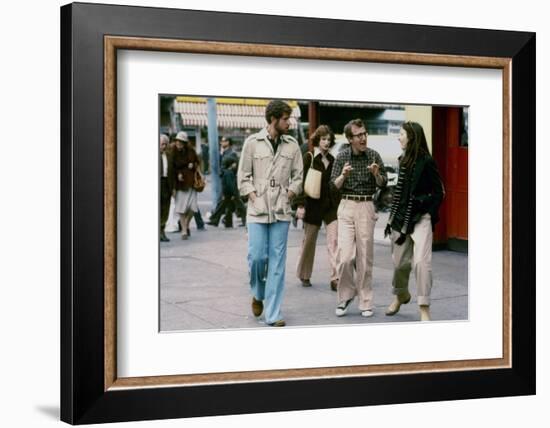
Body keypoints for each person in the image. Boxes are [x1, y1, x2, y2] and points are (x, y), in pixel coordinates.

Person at [237, 100, 303, 327]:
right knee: (257, 257)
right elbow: (243, 177)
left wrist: (290, 194)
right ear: (273, 119)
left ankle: (273, 314)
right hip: (257, 211)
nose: (289, 122)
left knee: (277, 264)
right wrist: (254, 197)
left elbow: (298, 177)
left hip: (282, 211)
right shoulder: (252, 143)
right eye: (286, 118)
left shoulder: (292, 145)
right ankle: (257, 293)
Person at [384, 121, 444, 321]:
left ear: (411, 137)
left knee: (421, 262)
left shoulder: (427, 161)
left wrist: (425, 208)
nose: (399, 137)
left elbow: (439, 192)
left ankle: (424, 307)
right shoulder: (402, 160)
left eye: (401, 134)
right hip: (401, 219)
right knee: (400, 263)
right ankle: (401, 295)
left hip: (421, 217)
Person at [330, 118, 387, 318]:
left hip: (366, 205)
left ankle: (365, 301)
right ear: (349, 139)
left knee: (365, 257)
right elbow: (333, 186)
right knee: (345, 257)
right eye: (358, 135)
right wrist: (343, 176)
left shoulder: (374, 156)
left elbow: (383, 184)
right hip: (346, 205)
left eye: (364, 134)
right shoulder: (342, 157)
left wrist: (376, 174)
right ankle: (345, 296)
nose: (363, 138)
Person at [293, 125, 340, 291]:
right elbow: (300, 181)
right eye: (323, 139)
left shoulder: (333, 161)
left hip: (330, 207)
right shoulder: (309, 157)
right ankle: (304, 275)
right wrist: (300, 205)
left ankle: (336, 277)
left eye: (328, 139)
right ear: (317, 140)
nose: (326, 142)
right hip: (312, 205)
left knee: (334, 241)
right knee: (309, 241)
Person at [168, 131, 200, 240]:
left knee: (193, 208)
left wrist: (194, 165)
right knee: (181, 208)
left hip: (191, 183)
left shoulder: (191, 151)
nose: (179, 144)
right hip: (179, 184)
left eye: (181, 142)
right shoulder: (172, 152)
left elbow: (198, 162)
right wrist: (177, 177)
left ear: (185, 143)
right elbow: (171, 168)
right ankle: (184, 230)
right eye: (178, 141)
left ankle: (185, 224)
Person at [207, 137, 246, 228]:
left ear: (228, 142)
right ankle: (224, 221)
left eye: (224, 141)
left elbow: (235, 166)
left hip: (230, 179)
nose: (222, 142)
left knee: (236, 200)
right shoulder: (224, 152)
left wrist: (227, 170)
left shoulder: (232, 153)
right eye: (222, 141)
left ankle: (246, 220)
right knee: (226, 201)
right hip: (226, 179)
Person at [159, 134, 171, 242]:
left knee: (165, 209)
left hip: (167, 184)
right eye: (162, 144)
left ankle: (162, 230)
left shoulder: (168, 155)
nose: (164, 146)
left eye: (165, 144)